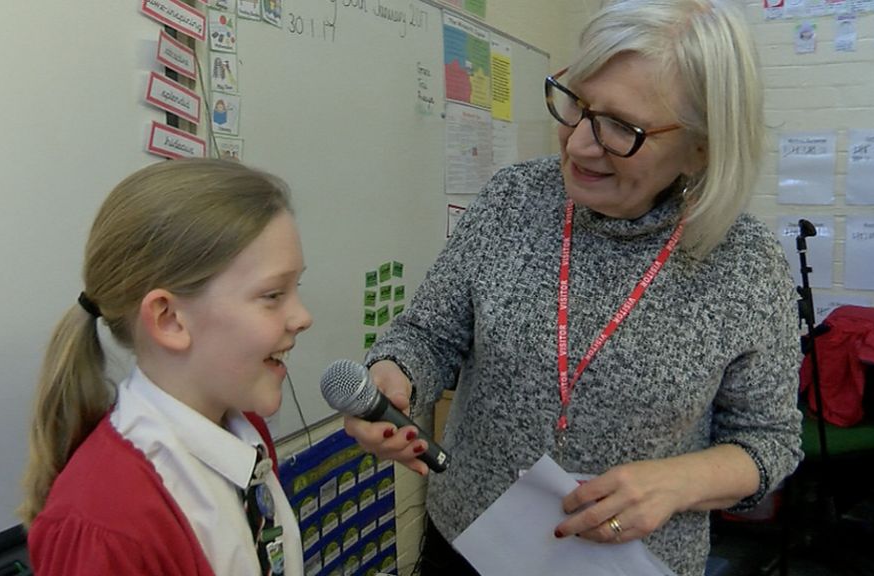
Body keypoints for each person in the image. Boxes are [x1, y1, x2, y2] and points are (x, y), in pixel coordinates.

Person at [343, 1, 803, 575]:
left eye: (622, 128)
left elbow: (770, 440)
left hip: (631, 563)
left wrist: (679, 482)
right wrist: (397, 375)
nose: (580, 145)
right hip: (468, 544)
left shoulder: (744, 262)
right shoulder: (513, 199)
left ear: (701, 146)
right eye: (578, 105)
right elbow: (428, 335)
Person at [19, 158, 313, 575]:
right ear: (169, 319)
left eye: (295, 287)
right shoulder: (108, 523)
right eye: (272, 295)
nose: (302, 317)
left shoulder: (245, 432)